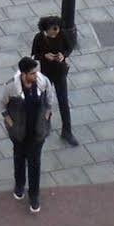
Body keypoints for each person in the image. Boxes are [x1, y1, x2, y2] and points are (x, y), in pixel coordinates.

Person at [0, 55, 53, 215]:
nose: (35, 75)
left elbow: (50, 99)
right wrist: (10, 123)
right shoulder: (11, 87)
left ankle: (34, 196)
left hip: (37, 133)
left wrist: (47, 115)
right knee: (19, 158)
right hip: (20, 133)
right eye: (32, 73)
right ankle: (19, 185)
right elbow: (2, 104)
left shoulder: (43, 82)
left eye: (36, 72)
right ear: (23, 74)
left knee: (35, 164)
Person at [30, 16, 79, 147]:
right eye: (53, 30)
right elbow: (35, 55)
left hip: (60, 72)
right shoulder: (39, 38)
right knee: (45, 101)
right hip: (46, 74)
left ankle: (67, 131)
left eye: (57, 29)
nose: (56, 32)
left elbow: (69, 48)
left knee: (63, 102)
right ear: (46, 29)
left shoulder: (62, 34)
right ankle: (45, 124)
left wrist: (63, 55)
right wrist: (45, 56)